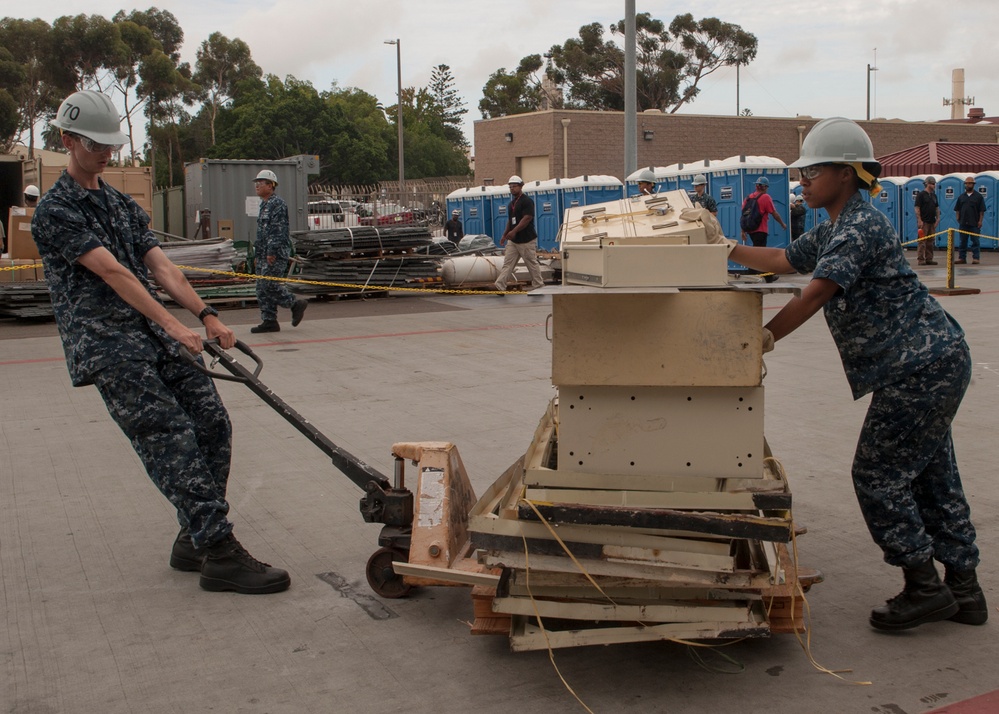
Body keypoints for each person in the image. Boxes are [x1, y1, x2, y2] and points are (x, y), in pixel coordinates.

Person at [714, 116, 985, 631]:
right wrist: (720, 246)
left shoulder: (860, 226)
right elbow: (781, 259)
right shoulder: (836, 227)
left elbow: (815, 293)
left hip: (921, 367)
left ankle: (924, 586)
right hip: (931, 362)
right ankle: (965, 589)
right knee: (930, 474)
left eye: (812, 171)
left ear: (846, 173)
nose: (803, 181)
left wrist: (760, 340)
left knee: (877, 475)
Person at [31, 89, 290, 595]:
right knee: (169, 436)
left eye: (111, 144)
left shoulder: (120, 204)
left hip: (151, 334)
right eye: (93, 145)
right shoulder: (55, 211)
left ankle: (192, 539)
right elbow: (111, 272)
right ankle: (217, 549)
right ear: (67, 140)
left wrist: (206, 314)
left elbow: (160, 266)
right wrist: (174, 326)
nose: (105, 154)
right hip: (109, 346)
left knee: (213, 423)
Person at [251, 169, 307, 333]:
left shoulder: (277, 204)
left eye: (260, 183)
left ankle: (294, 304)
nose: (257, 186)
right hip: (263, 253)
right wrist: (258, 254)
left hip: (274, 253)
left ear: (270, 185)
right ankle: (269, 321)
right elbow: (262, 232)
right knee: (261, 288)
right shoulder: (265, 204)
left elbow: (277, 230)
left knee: (269, 284)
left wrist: (271, 252)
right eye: (256, 183)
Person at [493, 175, 545, 293]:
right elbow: (510, 220)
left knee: (531, 263)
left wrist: (514, 231)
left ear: (521, 186)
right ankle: (500, 285)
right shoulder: (511, 204)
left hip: (526, 240)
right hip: (514, 240)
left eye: (514, 186)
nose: (512, 189)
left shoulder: (527, 201)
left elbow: (527, 218)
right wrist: (505, 235)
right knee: (508, 263)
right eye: (510, 187)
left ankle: (538, 285)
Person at [741, 176, 787, 282]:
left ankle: (755, 275)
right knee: (761, 255)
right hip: (761, 230)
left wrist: (743, 230)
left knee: (757, 253)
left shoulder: (748, 198)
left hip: (750, 230)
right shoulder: (765, 197)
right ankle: (762, 276)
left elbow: (743, 215)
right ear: (765, 187)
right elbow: (774, 213)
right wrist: (782, 223)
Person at [954, 177, 985, 265]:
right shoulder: (961, 197)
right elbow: (957, 209)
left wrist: (980, 221)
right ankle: (962, 258)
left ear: (973, 185)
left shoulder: (978, 197)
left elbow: (981, 211)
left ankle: (976, 258)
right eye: (967, 183)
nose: (968, 185)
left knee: (975, 241)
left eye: (970, 183)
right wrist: (958, 218)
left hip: (974, 223)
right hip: (963, 223)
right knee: (962, 241)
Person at [914, 177, 940, 266]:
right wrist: (919, 220)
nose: (934, 185)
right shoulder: (921, 195)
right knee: (922, 241)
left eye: (934, 184)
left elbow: (937, 208)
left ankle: (929, 258)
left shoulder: (934, 196)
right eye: (932, 184)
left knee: (930, 241)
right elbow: (917, 208)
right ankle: (921, 259)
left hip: (932, 222)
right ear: (928, 184)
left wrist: (938, 218)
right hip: (924, 222)